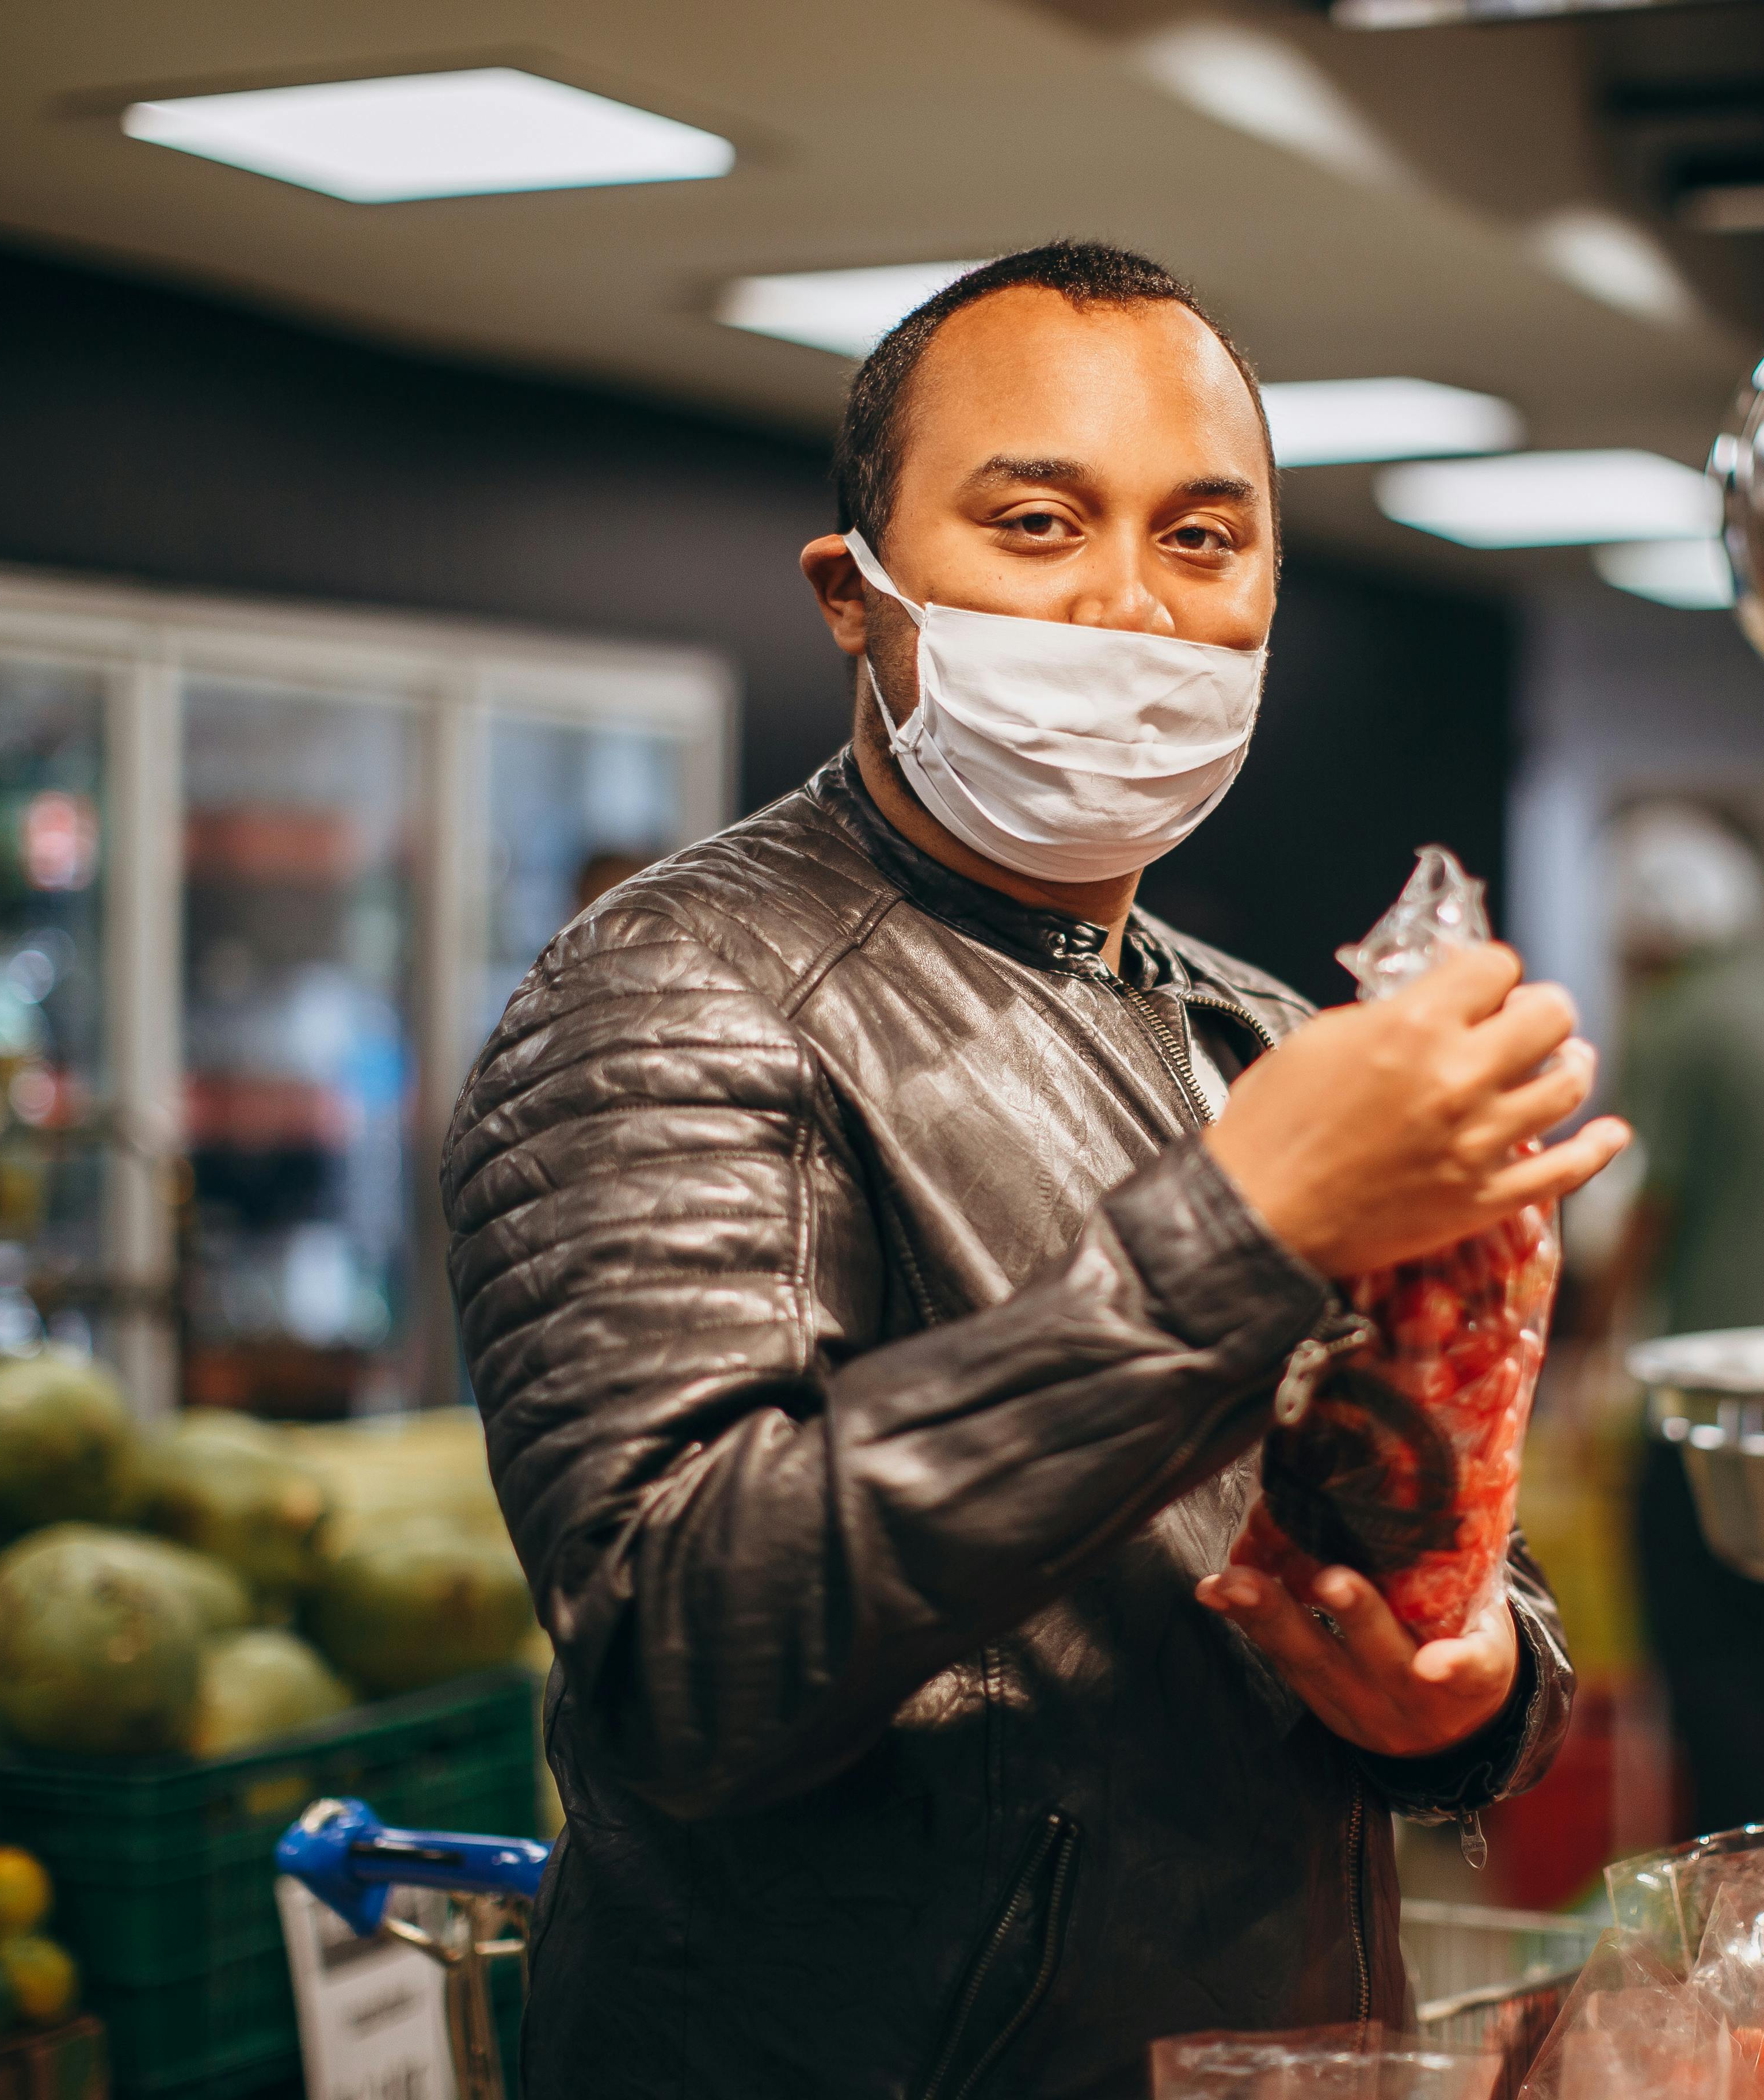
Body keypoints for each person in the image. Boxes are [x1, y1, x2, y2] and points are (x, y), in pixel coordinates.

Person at [442, 243, 1629, 2099]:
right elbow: (685, 1654)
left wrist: (1472, 1696)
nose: (1130, 611)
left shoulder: (1254, 1027)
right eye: (1036, 523)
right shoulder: (679, 995)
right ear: (862, 592)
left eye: (1202, 540)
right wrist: (1247, 1231)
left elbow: (1447, 1543)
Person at [1596, 804, 1764, 1830]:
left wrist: (1581, 1348)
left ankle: (1721, 1917)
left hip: (1705, 1405)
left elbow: (1645, 1205)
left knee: (1702, 1675)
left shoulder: (1681, 1020)